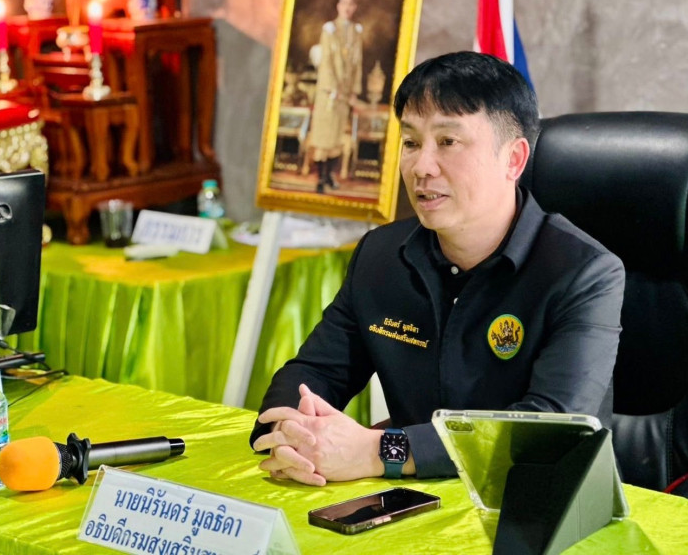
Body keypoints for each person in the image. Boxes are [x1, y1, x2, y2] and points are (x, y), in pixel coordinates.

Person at [251, 51, 625, 485]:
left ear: (514, 160)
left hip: (536, 503)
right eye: (411, 143)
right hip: (410, 496)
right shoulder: (380, 254)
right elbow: (314, 372)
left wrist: (380, 452)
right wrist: (292, 432)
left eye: (448, 142)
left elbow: (549, 431)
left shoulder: (584, 272)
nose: (422, 167)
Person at [307, 0, 363, 194]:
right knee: (324, 135)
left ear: (354, 7)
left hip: (345, 94)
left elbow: (358, 63)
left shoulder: (356, 31)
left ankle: (330, 175)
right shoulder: (329, 29)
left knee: (338, 136)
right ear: (338, 6)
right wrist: (333, 88)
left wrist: (353, 90)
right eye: (344, 3)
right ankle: (320, 177)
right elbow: (327, 63)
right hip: (329, 93)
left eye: (351, 4)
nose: (347, 8)